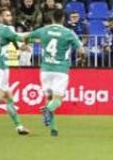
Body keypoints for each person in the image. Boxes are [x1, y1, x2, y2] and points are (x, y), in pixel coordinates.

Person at [25, 8, 84, 137]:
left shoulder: (44, 30)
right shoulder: (68, 33)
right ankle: (47, 110)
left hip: (45, 69)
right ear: (63, 18)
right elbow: (81, 50)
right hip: (60, 70)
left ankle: (53, 129)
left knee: (49, 98)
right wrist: (81, 58)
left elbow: (27, 36)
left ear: (52, 18)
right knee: (57, 100)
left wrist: (25, 45)